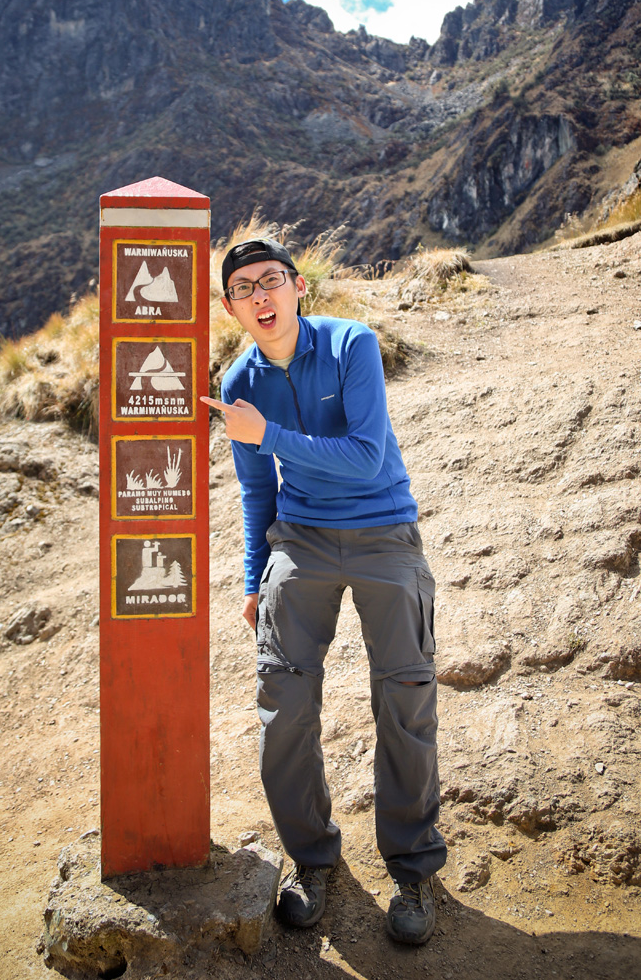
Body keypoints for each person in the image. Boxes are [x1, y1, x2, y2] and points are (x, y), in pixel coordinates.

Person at [201, 237, 446, 946]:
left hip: (384, 535)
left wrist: (268, 432)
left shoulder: (351, 346)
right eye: (245, 288)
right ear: (231, 307)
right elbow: (256, 495)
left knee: (405, 698)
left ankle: (412, 867)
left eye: (271, 281)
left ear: (298, 286)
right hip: (300, 543)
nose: (261, 297)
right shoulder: (240, 380)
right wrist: (254, 581)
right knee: (284, 703)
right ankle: (312, 861)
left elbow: (369, 457)